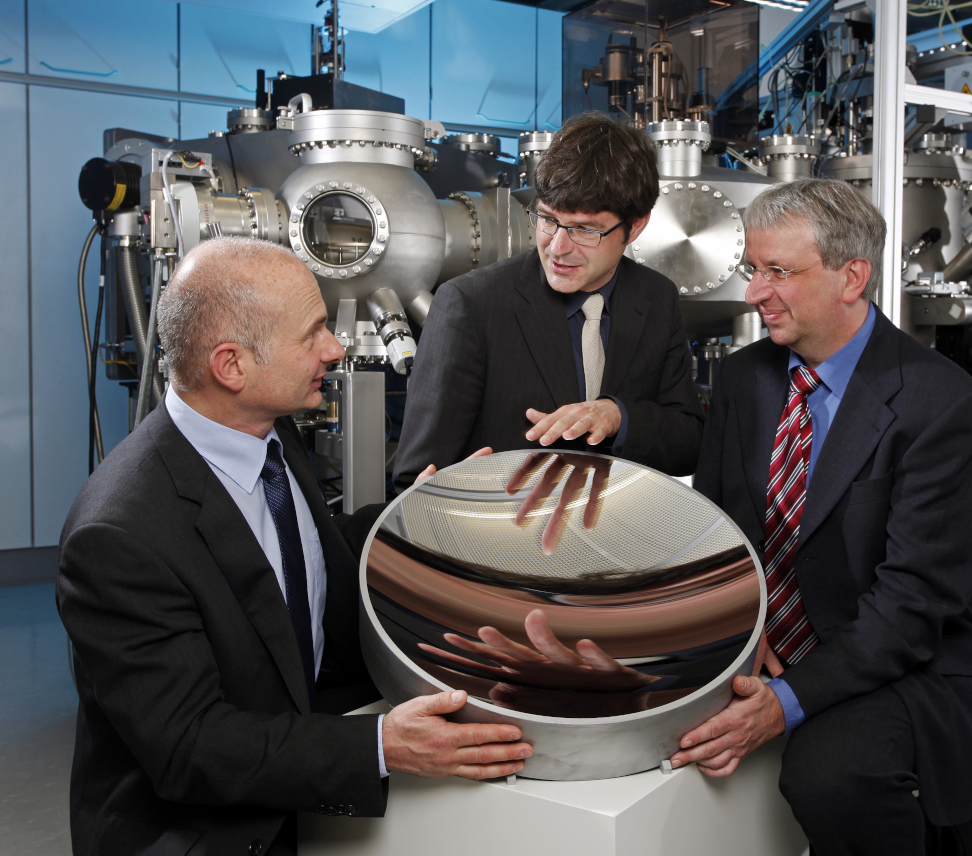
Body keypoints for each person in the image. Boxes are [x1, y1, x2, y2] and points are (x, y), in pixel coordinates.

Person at [56, 236, 532, 856]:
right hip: (201, 835)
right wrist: (382, 746)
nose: (334, 350)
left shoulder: (266, 431)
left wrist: (419, 508)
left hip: (292, 781)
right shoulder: (119, 537)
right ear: (232, 367)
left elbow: (302, 556)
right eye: (312, 336)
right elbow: (189, 747)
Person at [674, 180, 972, 854]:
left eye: (779, 273)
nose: (754, 294)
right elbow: (718, 533)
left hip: (896, 659)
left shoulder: (942, 406)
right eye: (752, 270)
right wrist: (743, 622)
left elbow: (912, 604)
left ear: (852, 277)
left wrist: (784, 701)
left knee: (831, 775)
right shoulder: (744, 380)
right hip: (768, 637)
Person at [392, 113, 704, 489]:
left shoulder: (656, 297)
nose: (557, 248)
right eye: (547, 219)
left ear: (636, 225)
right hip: (501, 541)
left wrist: (618, 416)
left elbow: (688, 442)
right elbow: (414, 481)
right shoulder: (470, 305)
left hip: (617, 541)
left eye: (585, 230)